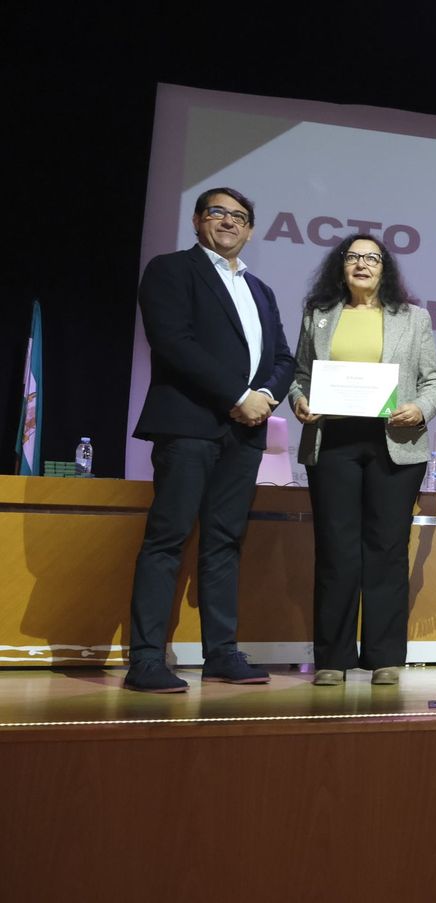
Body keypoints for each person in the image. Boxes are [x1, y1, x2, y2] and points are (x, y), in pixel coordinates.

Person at [124, 187, 295, 692]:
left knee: (225, 543)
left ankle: (221, 652)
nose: (228, 222)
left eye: (239, 216)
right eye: (217, 212)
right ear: (198, 221)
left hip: (244, 434)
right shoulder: (171, 270)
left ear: (250, 230)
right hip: (189, 425)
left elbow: (283, 357)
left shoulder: (260, 289)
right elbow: (173, 342)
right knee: (167, 538)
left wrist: (266, 395)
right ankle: (146, 659)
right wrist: (237, 396)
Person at [288, 235, 436, 686]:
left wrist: (420, 409)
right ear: (340, 266)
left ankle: (384, 656)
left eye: (371, 258)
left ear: (384, 267)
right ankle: (332, 658)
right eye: (353, 257)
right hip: (332, 442)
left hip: (394, 443)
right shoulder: (319, 314)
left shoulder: (413, 318)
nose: (362, 264)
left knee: (387, 549)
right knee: (336, 549)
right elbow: (300, 376)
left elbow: (433, 381)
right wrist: (299, 401)